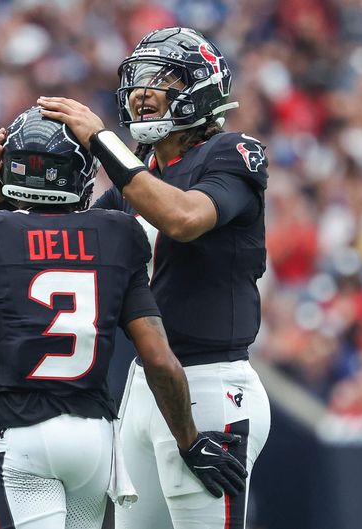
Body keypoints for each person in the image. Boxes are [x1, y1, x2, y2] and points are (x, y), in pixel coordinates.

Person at [0, 107, 246, 529]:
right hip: (94, 439)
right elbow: (160, 360)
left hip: (22, 437)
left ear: (4, 168)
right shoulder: (117, 235)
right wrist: (189, 441)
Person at [32, 26, 273, 529]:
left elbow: (184, 218)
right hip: (145, 385)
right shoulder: (141, 175)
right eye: (137, 80)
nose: (142, 92)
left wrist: (101, 143)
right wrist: (5, 198)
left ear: (200, 88)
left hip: (211, 385)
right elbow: (68, 245)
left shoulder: (230, 153)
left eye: (160, 79)